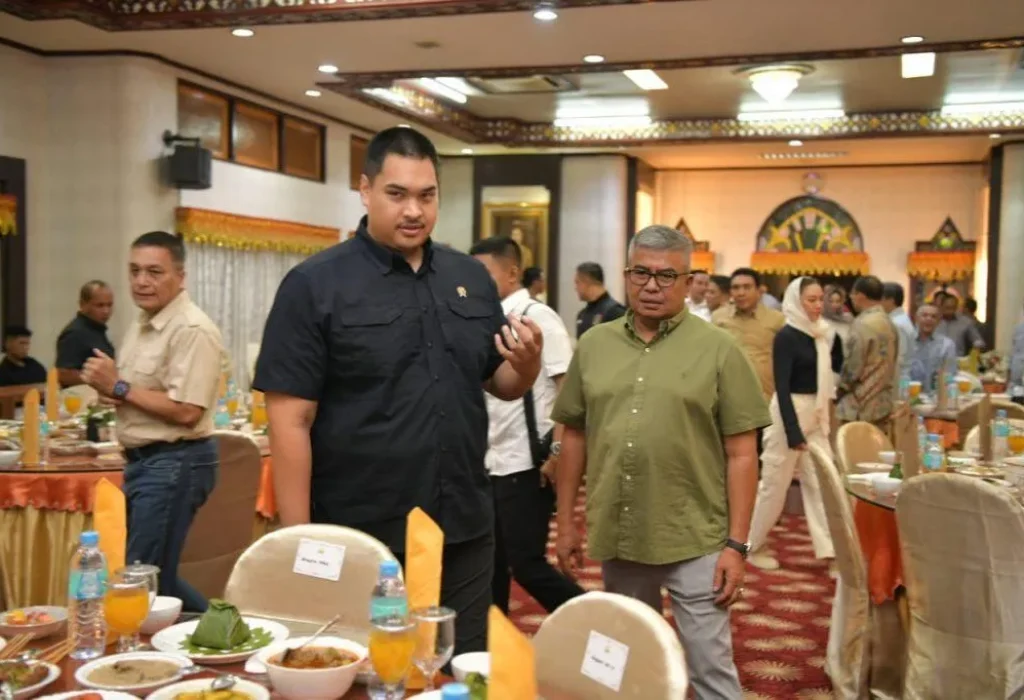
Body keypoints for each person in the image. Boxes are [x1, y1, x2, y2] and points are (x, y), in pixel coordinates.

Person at [252, 127, 543, 654]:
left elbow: (497, 383)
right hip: (364, 532)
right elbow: (289, 421)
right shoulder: (315, 285)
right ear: (365, 191)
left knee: (464, 667)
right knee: (372, 668)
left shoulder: (469, 277)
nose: (414, 210)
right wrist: (299, 541)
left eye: (426, 196)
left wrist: (527, 365)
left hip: (464, 524)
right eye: (397, 194)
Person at [552, 225, 769, 699]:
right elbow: (574, 436)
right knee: (628, 673)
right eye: (641, 274)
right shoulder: (594, 345)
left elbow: (742, 453)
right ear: (626, 275)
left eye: (666, 276)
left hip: (696, 537)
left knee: (712, 673)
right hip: (622, 535)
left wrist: (737, 544)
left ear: (688, 280)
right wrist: (565, 523)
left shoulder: (719, 349)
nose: (652, 286)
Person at [81, 231, 223, 611]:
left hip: (175, 461)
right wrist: (109, 388)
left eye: (155, 272)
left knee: (142, 578)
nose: (142, 281)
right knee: (154, 574)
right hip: (145, 462)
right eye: (135, 271)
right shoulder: (143, 323)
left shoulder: (191, 329)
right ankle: (224, 632)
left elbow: (187, 411)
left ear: (180, 276)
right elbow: (138, 392)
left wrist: (120, 386)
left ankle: (220, 637)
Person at [469, 236, 584, 615]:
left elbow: (566, 388)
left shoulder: (537, 315)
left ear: (513, 271)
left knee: (527, 564)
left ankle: (598, 621)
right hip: (491, 461)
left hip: (526, 460)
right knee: (492, 565)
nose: (477, 282)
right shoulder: (485, 317)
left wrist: (556, 451)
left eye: (485, 273)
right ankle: (490, 648)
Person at [746, 277, 843, 571]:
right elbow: (782, 388)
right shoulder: (787, 336)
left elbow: (830, 375)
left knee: (824, 484)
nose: (817, 306)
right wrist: (792, 431)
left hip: (816, 411)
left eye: (819, 299)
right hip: (788, 414)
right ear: (796, 302)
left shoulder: (823, 334)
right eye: (810, 300)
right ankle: (752, 544)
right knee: (774, 485)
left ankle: (833, 553)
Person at [712, 268, 786, 401]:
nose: (741, 293)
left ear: (759, 291)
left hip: (764, 396)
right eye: (736, 288)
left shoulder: (777, 319)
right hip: (727, 395)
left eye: (747, 287)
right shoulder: (719, 317)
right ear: (730, 292)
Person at [837, 276, 898, 430]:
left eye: (852, 294)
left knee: (856, 451)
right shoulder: (889, 323)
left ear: (860, 295)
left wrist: (840, 389)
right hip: (883, 403)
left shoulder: (862, 324)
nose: (851, 298)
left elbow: (853, 368)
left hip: (861, 404)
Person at [55, 280, 116, 387]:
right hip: (80, 399)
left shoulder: (96, 329)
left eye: (109, 305)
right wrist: (98, 379)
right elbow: (63, 374)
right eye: (100, 305)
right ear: (83, 305)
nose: (106, 311)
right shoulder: (75, 333)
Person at [910, 303, 957, 393]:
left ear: (939, 321)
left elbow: (950, 376)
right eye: (924, 315)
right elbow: (901, 375)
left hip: (936, 398)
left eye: (933, 317)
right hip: (909, 397)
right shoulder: (906, 342)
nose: (929, 319)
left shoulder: (947, 345)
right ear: (916, 318)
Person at [574, 262, 626, 338]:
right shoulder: (582, 315)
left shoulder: (615, 312)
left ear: (587, 281)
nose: (575, 288)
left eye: (577, 282)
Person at [881, 282, 915, 385]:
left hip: (898, 379)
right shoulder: (898, 319)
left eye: (880, 299)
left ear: (891, 300)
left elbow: (898, 358)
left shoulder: (896, 323)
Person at [936, 291, 984, 356]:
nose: (950, 311)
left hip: (957, 361)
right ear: (941, 307)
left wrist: (976, 348)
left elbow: (978, 341)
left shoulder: (965, 322)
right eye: (947, 308)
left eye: (953, 308)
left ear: (957, 307)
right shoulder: (934, 320)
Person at [823, 285, 854, 355]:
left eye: (838, 301)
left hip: (845, 361)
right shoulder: (820, 320)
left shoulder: (848, 319)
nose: (835, 305)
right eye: (831, 301)